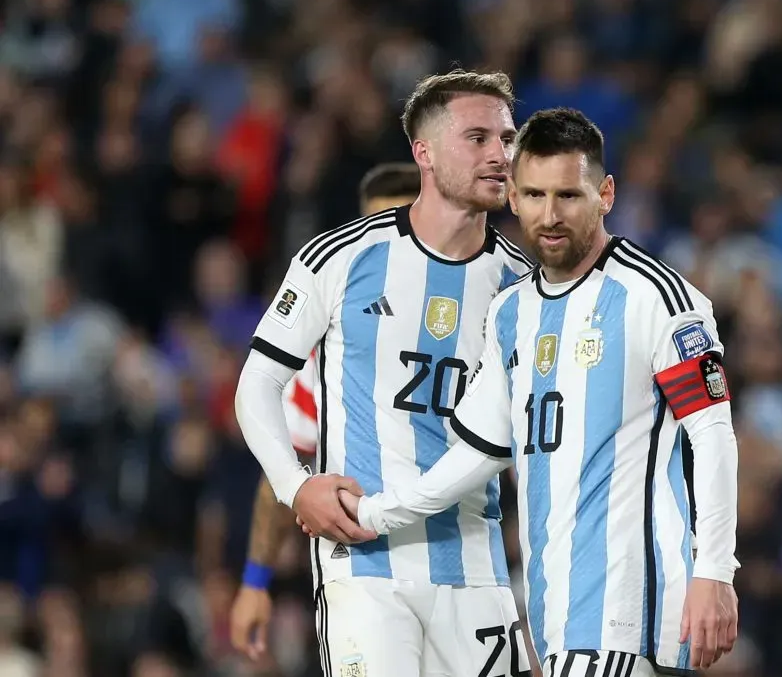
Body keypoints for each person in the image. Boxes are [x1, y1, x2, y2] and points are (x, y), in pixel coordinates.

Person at [332, 108, 741, 676]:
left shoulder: (656, 298)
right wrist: (377, 512)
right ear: (513, 198)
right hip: (554, 617)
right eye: (534, 195)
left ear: (606, 194)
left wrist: (715, 570)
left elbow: (713, 433)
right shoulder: (511, 313)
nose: (550, 216)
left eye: (569, 196)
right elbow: (477, 454)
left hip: (624, 610)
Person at [233, 69, 534, 677]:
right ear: (424, 152)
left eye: (506, 138)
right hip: (364, 563)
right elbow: (255, 386)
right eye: (478, 138)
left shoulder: (524, 287)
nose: (500, 154)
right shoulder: (340, 258)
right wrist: (297, 487)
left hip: (476, 565)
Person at [229, 162, 422, 661]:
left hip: (471, 569)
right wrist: (255, 581)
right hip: (365, 572)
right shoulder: (319, 363)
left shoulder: (482, 322)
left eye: (399, 227)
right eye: (372, 229)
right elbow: (283, 468)